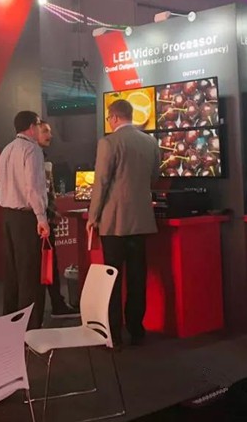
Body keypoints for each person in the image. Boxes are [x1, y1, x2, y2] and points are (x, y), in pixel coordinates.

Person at [87, 99, 160, 346]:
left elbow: (101, 182)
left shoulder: (108, 142)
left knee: (113, 279)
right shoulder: (150, 142)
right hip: (141, 220)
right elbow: (154, 176)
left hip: (114, 222)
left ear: (115, 117)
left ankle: (113, 334)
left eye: (109, 118)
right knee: (138, 278)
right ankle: (136, 330)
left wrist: (93, 217)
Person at [0, 110, 50, 329]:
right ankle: (29, 326)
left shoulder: (7, 149)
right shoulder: (32, 149)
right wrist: (42, 218)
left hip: (9, 217)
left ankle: (10, 323)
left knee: (13, 273)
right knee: (30, 273)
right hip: (27, 219)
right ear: (31, 127)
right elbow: (33, 188)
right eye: (38, 125)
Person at [37, 120, 79, 318]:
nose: (50, 135)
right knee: (45, 264)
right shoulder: (34, 157)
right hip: (40, 222)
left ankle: (57, 303)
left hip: (46, 219)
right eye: (45, 131)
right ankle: (55, 305)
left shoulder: (43, 157)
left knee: (50, 263)